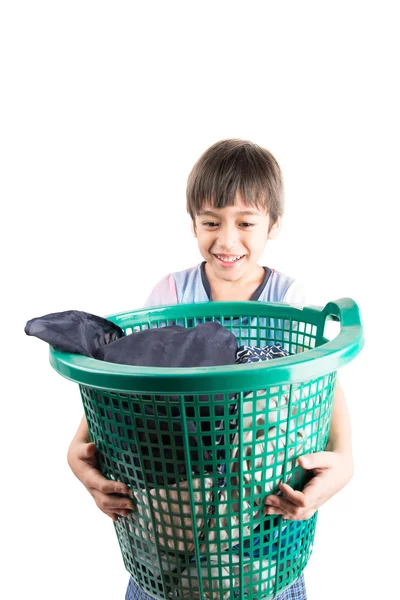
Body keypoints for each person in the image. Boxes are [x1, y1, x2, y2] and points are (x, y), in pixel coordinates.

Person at [67, 139, 354, 600]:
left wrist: (344, 464)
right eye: (211, 222)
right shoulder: (172, 295)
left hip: (266, 527)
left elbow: (321, 387)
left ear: (273, 225)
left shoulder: (290, 299)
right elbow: (124, 384)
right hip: (171, 510)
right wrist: (78, 454)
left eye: (246, 223)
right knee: (176, 576)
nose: (227, 240)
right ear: (193, 224)